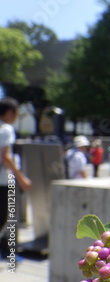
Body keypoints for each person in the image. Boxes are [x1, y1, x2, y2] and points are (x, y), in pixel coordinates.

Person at [0, 97, 31, 258]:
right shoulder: (6, 129)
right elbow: (6, 157)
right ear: (11, 112)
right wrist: (21, 178)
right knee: (2, 218)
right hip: (2, 182)